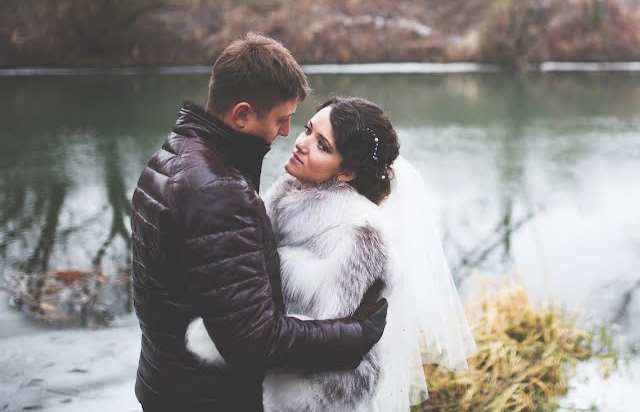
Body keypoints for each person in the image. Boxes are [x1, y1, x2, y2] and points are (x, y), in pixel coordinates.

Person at [131, 34, 388, 412]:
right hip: (207, 398)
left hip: (165, 382)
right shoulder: (219, 192)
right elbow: (256, 341)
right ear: (242, 115)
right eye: (284, 121)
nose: (287, 133)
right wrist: (356, 335)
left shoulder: (172, 155)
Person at [186, 95, 476, 411]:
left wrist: (231, 335)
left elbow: (331, 349)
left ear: (347, 172)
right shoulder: (282, 196)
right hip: (254, 386)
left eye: (322, 145)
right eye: (308, 129)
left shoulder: (363, 240)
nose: (302, 143)